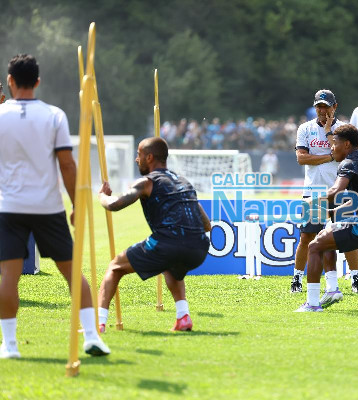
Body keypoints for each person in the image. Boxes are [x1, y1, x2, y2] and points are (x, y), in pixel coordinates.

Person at [0, 54, 109, 358]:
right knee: (72, 272)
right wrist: (77, 204)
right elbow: (67, 165)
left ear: (10, 81)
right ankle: (92, 337)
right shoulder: (54, 115)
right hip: (47, 206)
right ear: (37, 82)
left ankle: (10, 346)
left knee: (9, 276)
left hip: (9, 207)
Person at [97, 137, 211, 332]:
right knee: (172, 267)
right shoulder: (183, 182)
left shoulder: (147, 182)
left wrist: (102, 196)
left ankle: (98, 323)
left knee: (115, 266)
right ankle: (183, 317)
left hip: (169, 243)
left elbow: (115, 204)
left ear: (149, 157)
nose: (136, 159)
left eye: (139, 155)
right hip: (199, 248)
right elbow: (206, 225)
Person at [295, 124, 358, 312]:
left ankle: (312, 304)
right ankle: (332, 290)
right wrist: (331, 212)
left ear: (346, 144)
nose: (331, 148)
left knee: (314, 246)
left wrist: (312, 201)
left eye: (334, 143)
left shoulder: (348, 163)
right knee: (326, 234)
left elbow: (335, 191)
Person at [292, 89, 358, 297]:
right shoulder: (305, 128)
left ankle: (355, 277)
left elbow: (345, 157)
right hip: (313, 190)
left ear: (335, 107)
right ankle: (297, 278)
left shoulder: (344, 129)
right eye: (319, 106)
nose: (322, 110)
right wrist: (330, 157)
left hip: (341, 189)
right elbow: (302, 158)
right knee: (307, 236)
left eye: (326, 106)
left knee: (347, 236)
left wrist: (329, 131)